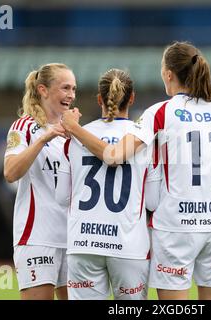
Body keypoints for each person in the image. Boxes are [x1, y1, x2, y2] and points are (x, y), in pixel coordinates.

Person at [61, 41, 211, 300]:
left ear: (168, 74)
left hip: (178, 227)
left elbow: (113, 156)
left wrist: (74, 128)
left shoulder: (160, 112)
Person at [56, 68, 161, 300]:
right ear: (131, 98)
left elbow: (61, 196)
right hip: (129, 246)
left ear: (99, 99)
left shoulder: (75, 137)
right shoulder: (142, 138)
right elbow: (153, 200)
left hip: (84, 242)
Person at [3, 63, 76, 300]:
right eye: (65, 88)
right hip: (37, 237)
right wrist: (43, 139)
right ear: (43, 90)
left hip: (74, 239)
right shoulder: (23, 127)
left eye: (74, 89)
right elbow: (10, 172)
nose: (71, 95)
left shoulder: (75, 132)